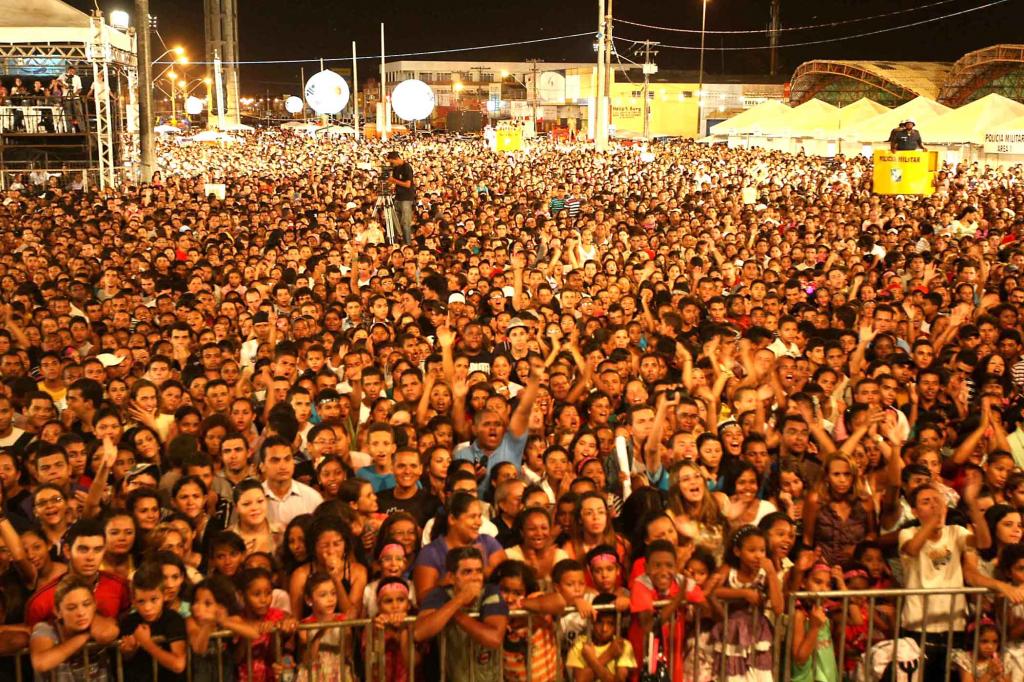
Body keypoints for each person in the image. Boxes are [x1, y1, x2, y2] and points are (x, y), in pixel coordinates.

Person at [413, 546, 508, 682]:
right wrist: (459, 600)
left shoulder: (490, 592)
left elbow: (494, 639)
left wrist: (454, 614)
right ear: (451, 577)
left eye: (479, 571)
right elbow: (419, 632)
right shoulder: (439, 594)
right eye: (467, 572)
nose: (475, 578)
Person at [386, 151, 415, 244]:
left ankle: (407, 244)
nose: (391, 164)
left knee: (405, 224)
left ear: (397, 159)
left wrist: (393, 180)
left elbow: (407, 184)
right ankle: (395, 243)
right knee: (395, 222)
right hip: (398, 197)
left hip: (406, 198)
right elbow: (394, 181)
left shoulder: (407, 167)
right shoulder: (396, 168)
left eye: (392, 162)